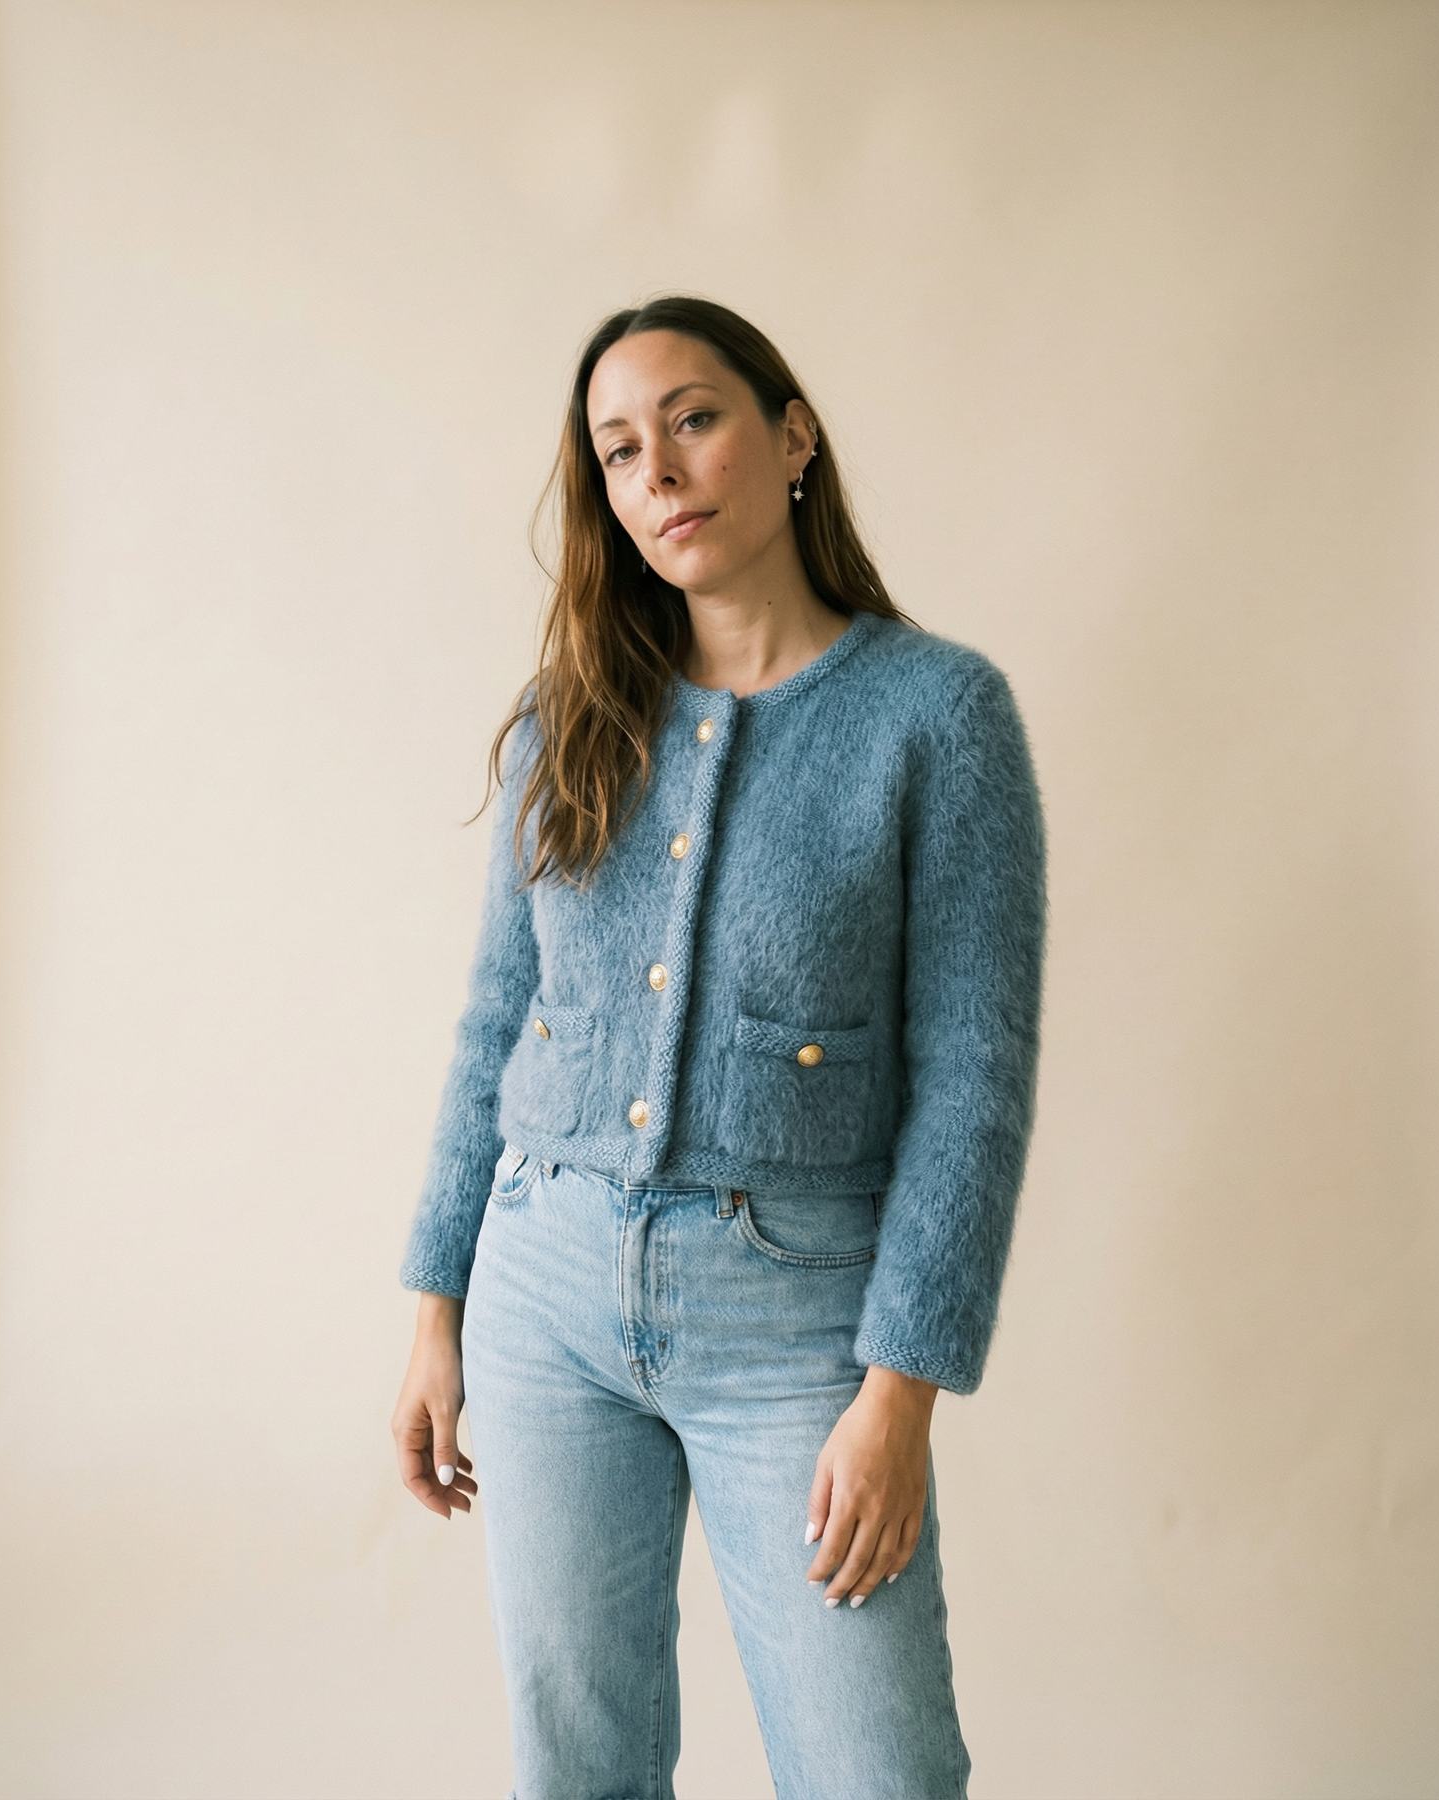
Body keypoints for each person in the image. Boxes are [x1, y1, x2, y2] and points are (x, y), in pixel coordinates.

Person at [390, 295, 1046, 1800]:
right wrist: (435, 1306)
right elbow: (497, 1017)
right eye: (619, 452)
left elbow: (974, 1076)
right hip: (542, 1286)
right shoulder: (570, 717)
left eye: (692, 420)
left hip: (798, 1316)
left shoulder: (937, 716)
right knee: (579, 1765)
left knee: (877, 1772)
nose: (661, 474)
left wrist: (902, 1388)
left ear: (791, 435)